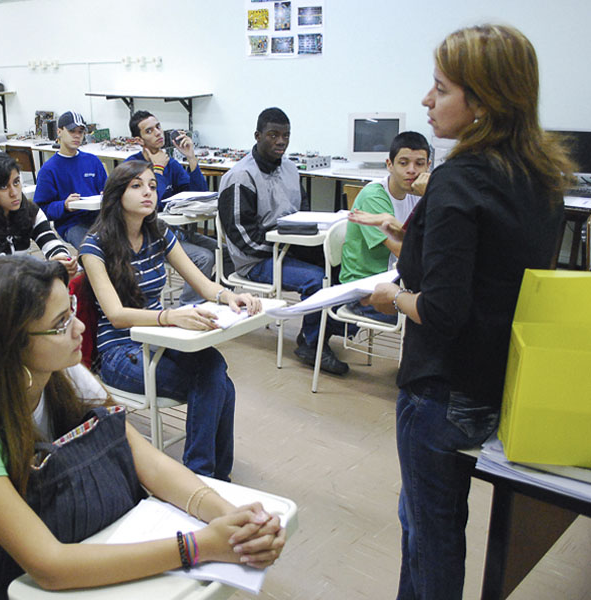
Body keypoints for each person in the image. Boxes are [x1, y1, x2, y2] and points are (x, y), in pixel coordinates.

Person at [0, 255, 284, 599]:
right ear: (10, 344)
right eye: (60, 323)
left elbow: (148, 462)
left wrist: (227, 518)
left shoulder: (66, 373)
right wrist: (198, 545)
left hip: (72, 538)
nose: (80, 328)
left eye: (73, 311)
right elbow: (48, 565)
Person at [360, 25, 571, 600]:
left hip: (439, 392)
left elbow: (444, 309)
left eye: (441, 88)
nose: (427, 100)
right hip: (493, 382)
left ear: (483, 102)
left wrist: (392, 298)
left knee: (430, 536)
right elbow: (489, 279)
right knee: (435, 526)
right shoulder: (541, 176)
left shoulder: (457, 179)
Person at [80, 160, 261, 479]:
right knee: (215, 380)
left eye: (152, 185)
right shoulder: (95, 246)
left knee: (214, 370)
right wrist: (170, 316)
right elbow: (116, 315)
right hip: (120, 352)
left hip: (158, 340)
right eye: (136, 186)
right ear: (116, 195)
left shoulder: (158, 233)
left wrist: (231, 296)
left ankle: (206, 475)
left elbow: (201, 283)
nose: (148, 192)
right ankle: (206, 476)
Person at [218, 107, 348, 375]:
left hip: (288, 248)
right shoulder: (240, 177)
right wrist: (283, 247)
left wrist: (305, 239)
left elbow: (303, 210)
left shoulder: (290, 169)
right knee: (315, 278)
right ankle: (312, 344)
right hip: (256, 260)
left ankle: (320, 332)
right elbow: (241, 238)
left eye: (286, 136)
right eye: (273, 135)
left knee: (339, 264)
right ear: (258, 135)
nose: (281, 142)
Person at [126, 110, 218, 303]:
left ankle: (212, 298)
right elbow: (149, 205)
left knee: (223, 250)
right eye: (149, 131)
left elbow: (198, 195)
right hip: (150, 237)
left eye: (158, 127)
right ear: (139, 140)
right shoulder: (131, 166)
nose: (158, 133)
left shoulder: (170, 162)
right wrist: (157, 170)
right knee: (204, 257)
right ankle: (189, 306)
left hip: (174, 231)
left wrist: (191, 158)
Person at [339, 131, 431, 324]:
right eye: (403, 163)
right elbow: (404, 252)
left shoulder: (418, 191)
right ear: (389, 165)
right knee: (430, 315)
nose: (412, 171)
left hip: (397, 278)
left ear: (428, 167)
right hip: (365, 288)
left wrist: (430, 195)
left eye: (419, 164)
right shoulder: (375, 196)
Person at [0, 152, 77, 276]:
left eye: (16, 182)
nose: (14, 193)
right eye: (4, 187)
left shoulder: (31, 212)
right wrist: (46, 267)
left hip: (20, 284)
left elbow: (51, 242)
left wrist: (62, 259)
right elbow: (2, 268)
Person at [33, 111, 106, 248]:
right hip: (72, 223)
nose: (77, 136)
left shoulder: (93, 162)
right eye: (72, 131)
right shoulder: (49, 170)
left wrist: (108, 195)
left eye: (81, 132)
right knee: (91, 248)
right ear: (59, 132)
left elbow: (107, 190)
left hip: (99, 219)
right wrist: (64, 206)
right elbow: (41, 209)